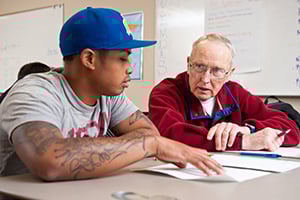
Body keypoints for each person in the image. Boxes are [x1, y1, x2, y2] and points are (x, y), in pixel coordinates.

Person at [0, 8, 224, 181]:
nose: (130, 68)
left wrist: (146, 142)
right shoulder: (33, 92)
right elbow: (50, 161)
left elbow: (147, 131)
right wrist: (150, 145)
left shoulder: (108, 94)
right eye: (122, 58)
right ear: (89, 59)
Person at [149, 33, 300, 152]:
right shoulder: (165, 92)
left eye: (217, 71)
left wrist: (249, 130)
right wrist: (245, 141)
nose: (205, 79)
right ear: (188, 64)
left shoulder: (234, 92)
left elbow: (290, 129)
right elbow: (171, 135)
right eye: (199, 67)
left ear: (229, 74)